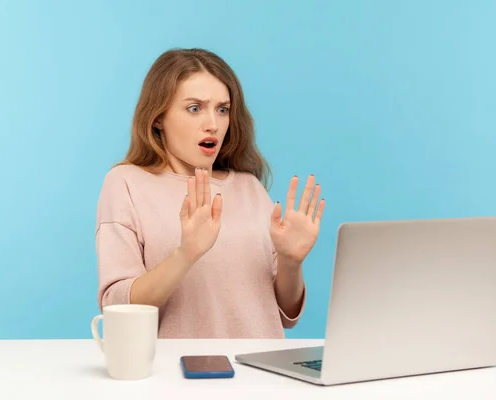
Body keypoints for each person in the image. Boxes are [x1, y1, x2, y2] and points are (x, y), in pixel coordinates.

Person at [95, 48, 326, 338]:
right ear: (157, 117)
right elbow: (117, 306)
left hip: (260, 375)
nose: (213, 125)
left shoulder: (249, 188)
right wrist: (185, 255)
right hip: (176, 375)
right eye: (194, 108)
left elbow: (285, 314)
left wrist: (291, 262)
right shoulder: (126, 183)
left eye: (222, 109)